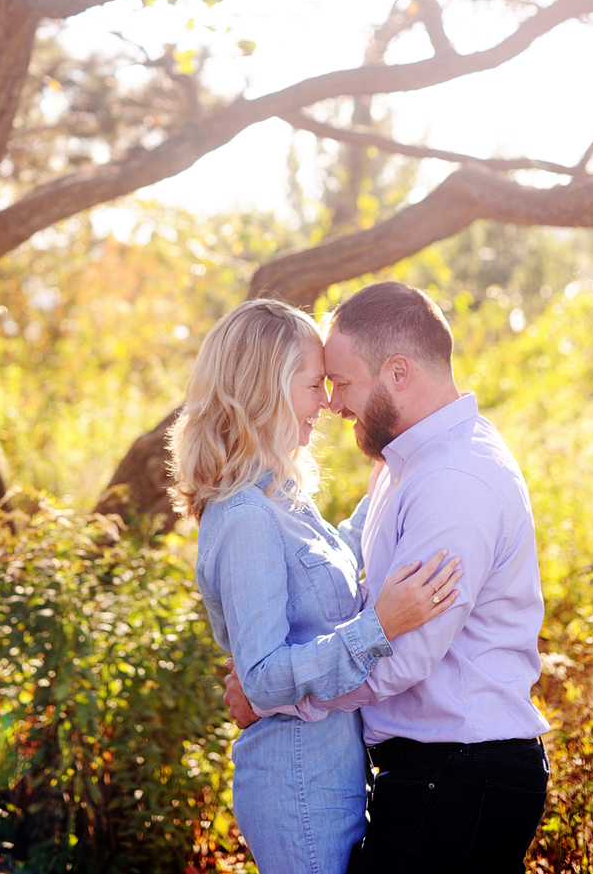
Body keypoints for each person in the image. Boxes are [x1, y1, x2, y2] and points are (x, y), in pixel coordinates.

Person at [225, 282, 549, 874]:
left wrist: (277, 699)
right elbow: (355, 573)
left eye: (342, 382)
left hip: (461, 776)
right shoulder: (408, 467)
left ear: (397, 372)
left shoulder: (454, 481)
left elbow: (401, 658)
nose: (333, 403)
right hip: (437, 776)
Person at [167, 297, 461, 874]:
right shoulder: (247, 515)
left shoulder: (284, 501)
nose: (328, 403)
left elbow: (338, 555)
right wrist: (380, 626)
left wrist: (397, 472)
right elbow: (261, 678)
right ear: (265, 390)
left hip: (331, 771)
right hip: (296, 781)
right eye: (312, 385)